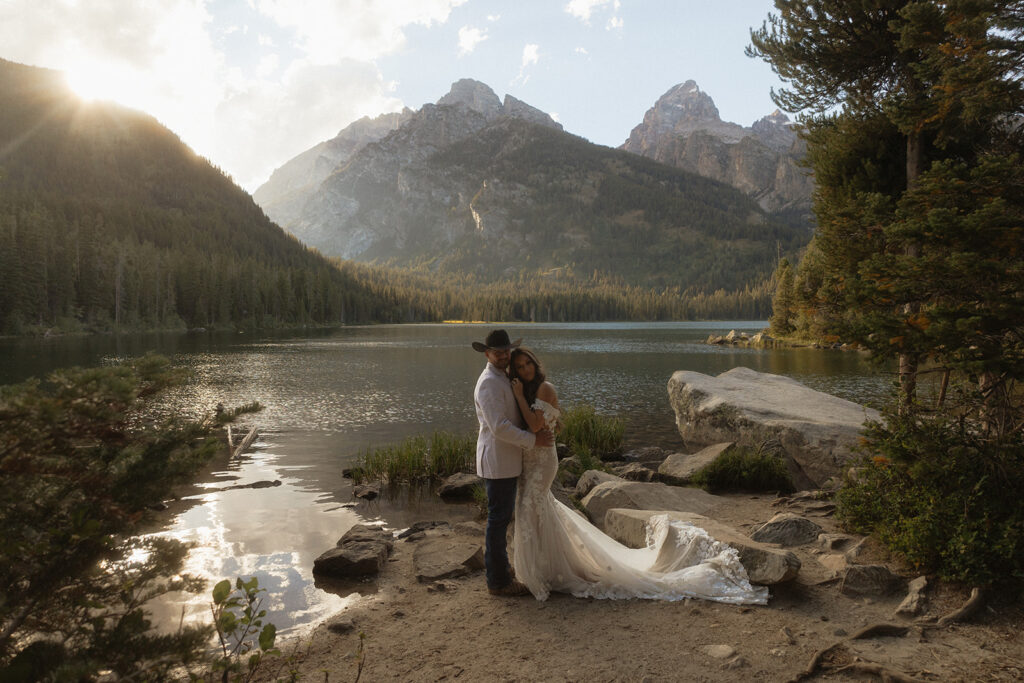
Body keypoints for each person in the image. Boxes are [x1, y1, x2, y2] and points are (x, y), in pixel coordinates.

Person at [507, 346, 768, 605]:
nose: (525, 369)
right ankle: (548, 568)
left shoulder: (544, 388)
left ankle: (545, 571)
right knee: (535, 509)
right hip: (531, 461)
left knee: (533, 505)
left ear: (535, 363)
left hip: (542, 463)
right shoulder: (530, 390)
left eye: (528, 364)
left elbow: (535, 425)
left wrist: (518, 395)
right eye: (519, 367)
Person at [472, 329, 554, 597]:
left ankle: (502, 572)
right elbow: (499, 427)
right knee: (498, 521)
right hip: (498, 461)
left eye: (506, 351)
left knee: (502, 519)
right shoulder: (488, 383)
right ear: (487, 354)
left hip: (510, 461)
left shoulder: (504, 377)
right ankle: (498, 582)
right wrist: (533, 441)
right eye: (498, 352)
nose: (504, 355)